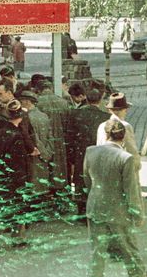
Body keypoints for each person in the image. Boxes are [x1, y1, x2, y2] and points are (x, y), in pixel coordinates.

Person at [84, 120, 147, 277]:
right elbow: (131, 190)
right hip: (118, 211)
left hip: (95, 207)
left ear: (106, 134)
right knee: (128, 246)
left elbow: (87, 180)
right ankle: (140, 276)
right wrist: (137, 213)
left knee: (97, 251)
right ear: (124, 137)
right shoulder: (126, 158)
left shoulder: (90, 151)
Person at [0, 100, 35, 246]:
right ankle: (17, 236)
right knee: (18, 205)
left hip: (2, 175)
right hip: (16, 176)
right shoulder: (18, 136)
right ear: (20, 117)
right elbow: (19, 161)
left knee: (4, 204)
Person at [65, 89, 110, 218]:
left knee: (80, 180)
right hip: (98, 153)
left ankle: (81, 209)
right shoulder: (105, 117)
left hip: (81, 153)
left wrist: (71, 158)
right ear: (100, 100)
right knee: (95, 180)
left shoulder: (75, 114)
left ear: (87, 99)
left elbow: (69, 136)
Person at [36, 79, 70, 193]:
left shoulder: (38, 103)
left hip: (45, 140)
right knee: (60, 167)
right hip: (61, 139)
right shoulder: (63, 102)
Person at [19, 91, 54, 195]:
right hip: (44, 159)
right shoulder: (44, 116)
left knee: (34, 188)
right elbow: (50, 137)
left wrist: (42, 152)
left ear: (28, 102)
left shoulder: (26, 118)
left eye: (22, 101)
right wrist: (48, 154)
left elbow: (33, 138)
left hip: (34, 156)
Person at [96, 93, 140, 170]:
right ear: (125, 110)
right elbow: (130, 150)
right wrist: (137, 166)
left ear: (109, 110)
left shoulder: (102, 126)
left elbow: (98, 146)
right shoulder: (125, 126)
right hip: (119, 167)